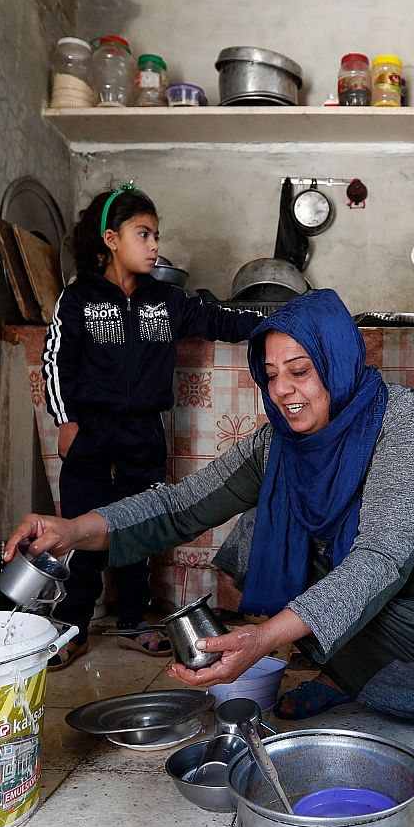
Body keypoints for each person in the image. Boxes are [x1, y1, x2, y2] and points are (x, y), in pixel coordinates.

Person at [8, 290, 414, 735]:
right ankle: (343, 676)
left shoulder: (404, 424)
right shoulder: (276, 445)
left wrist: (264, 639)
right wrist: (72, 529)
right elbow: (178, 505)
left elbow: (380, 559)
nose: (282, 390)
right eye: (271, 374)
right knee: (263, 537)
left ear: (337, 362)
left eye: (300, 371)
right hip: (378, 580)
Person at [41, 181, 261, 667]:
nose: (155, 246)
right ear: (110, 240)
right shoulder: (77, 299)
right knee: (81, 525)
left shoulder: (168, 300)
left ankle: (133, 619)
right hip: (91, 430)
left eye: (156, 235)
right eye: (143, 234)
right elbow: (56, 360)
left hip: (143, 430)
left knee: (138, 523)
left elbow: (221, 320)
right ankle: (74, 624)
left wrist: (278, 320)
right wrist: (66, 419)